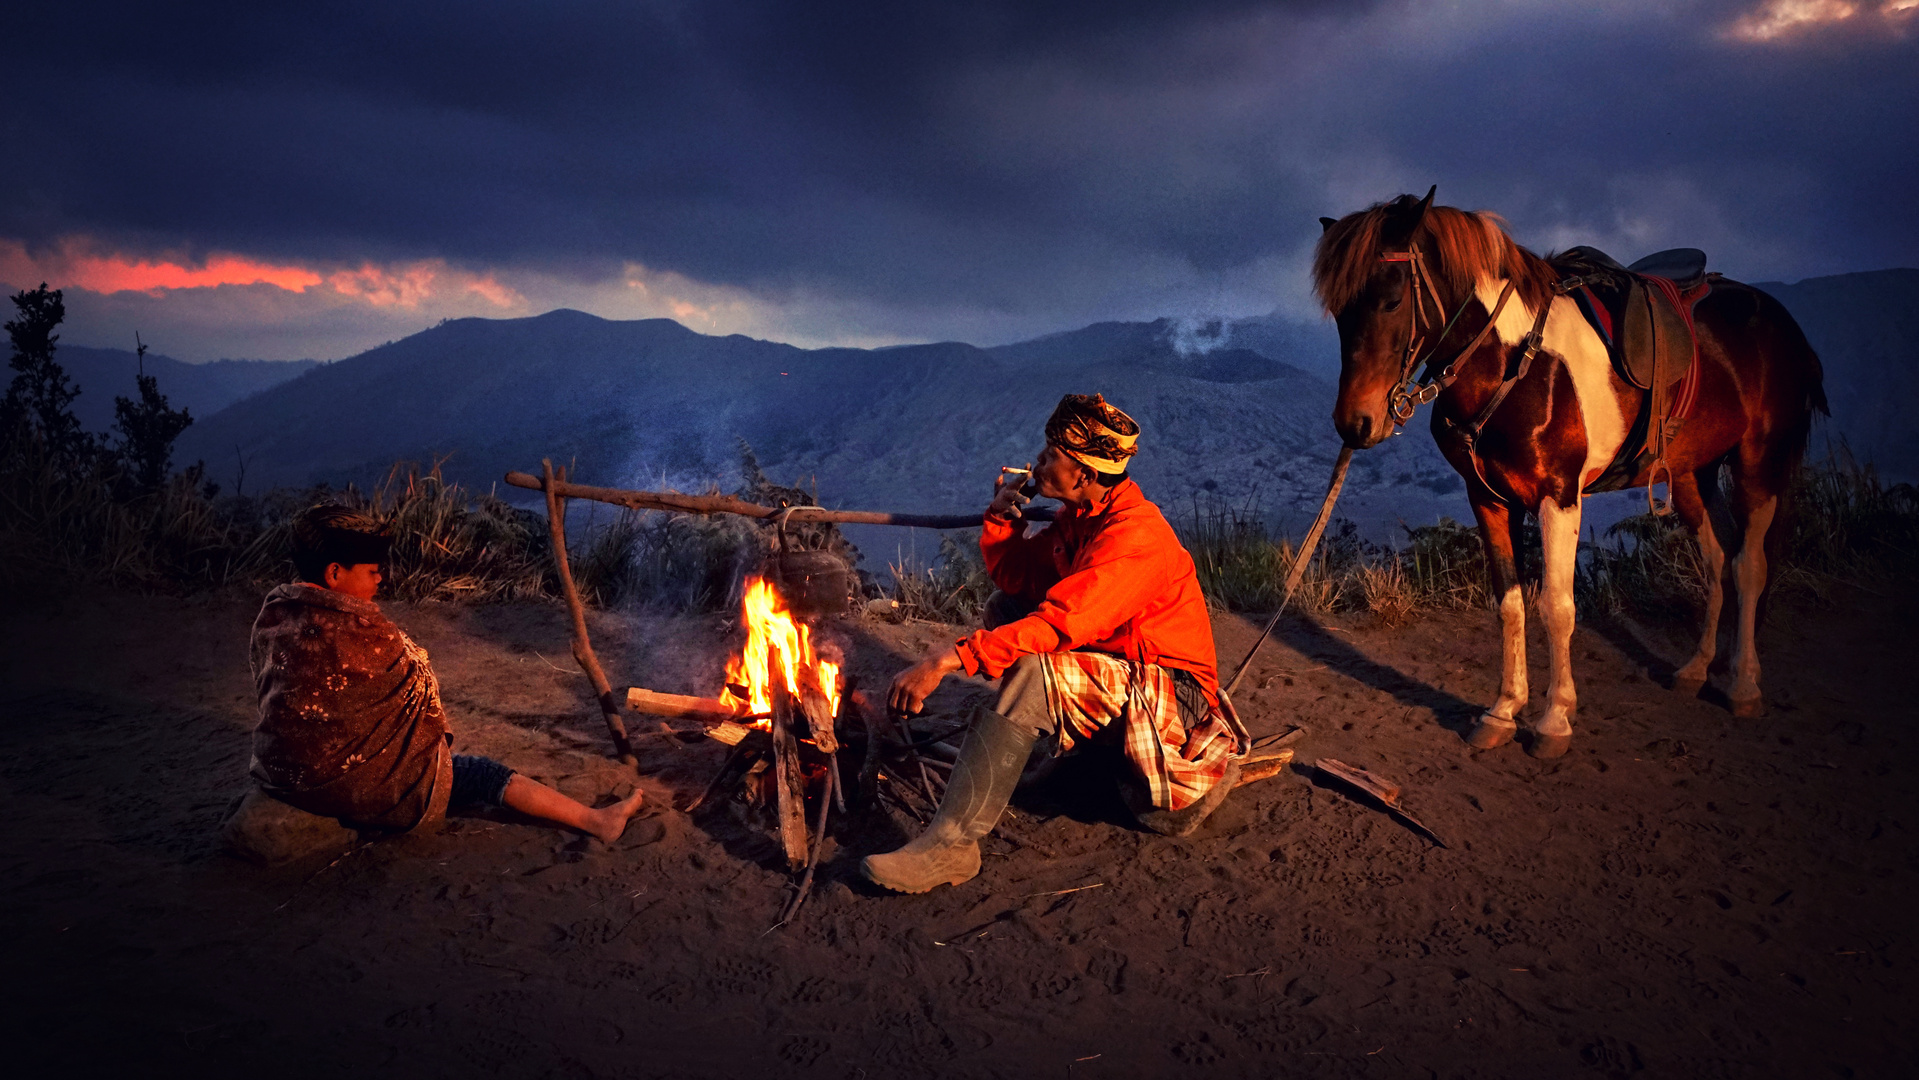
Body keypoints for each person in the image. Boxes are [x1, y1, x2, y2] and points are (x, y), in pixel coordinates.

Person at [862, 393, 1249, 894]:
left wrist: (945, 658)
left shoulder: (1135, 537)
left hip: (1168, 696)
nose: (1038, 463)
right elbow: (1020, 578)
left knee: (1034, 670)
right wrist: (1004, 521)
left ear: (1083, 475)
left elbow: (1061, 623)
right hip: (1120, 666)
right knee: (1006, 609)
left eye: (1049, 457)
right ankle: (1066, 757)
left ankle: (952, 847)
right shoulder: (1082, 519)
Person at [247, 505, 644, 842]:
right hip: (362, 782)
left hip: (286, 772)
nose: (380, 579)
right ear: (335, 574)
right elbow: (413, 688)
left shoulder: (277, 614)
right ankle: (596, 820)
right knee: (480, 773)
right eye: (371, 571)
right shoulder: (366, 633)